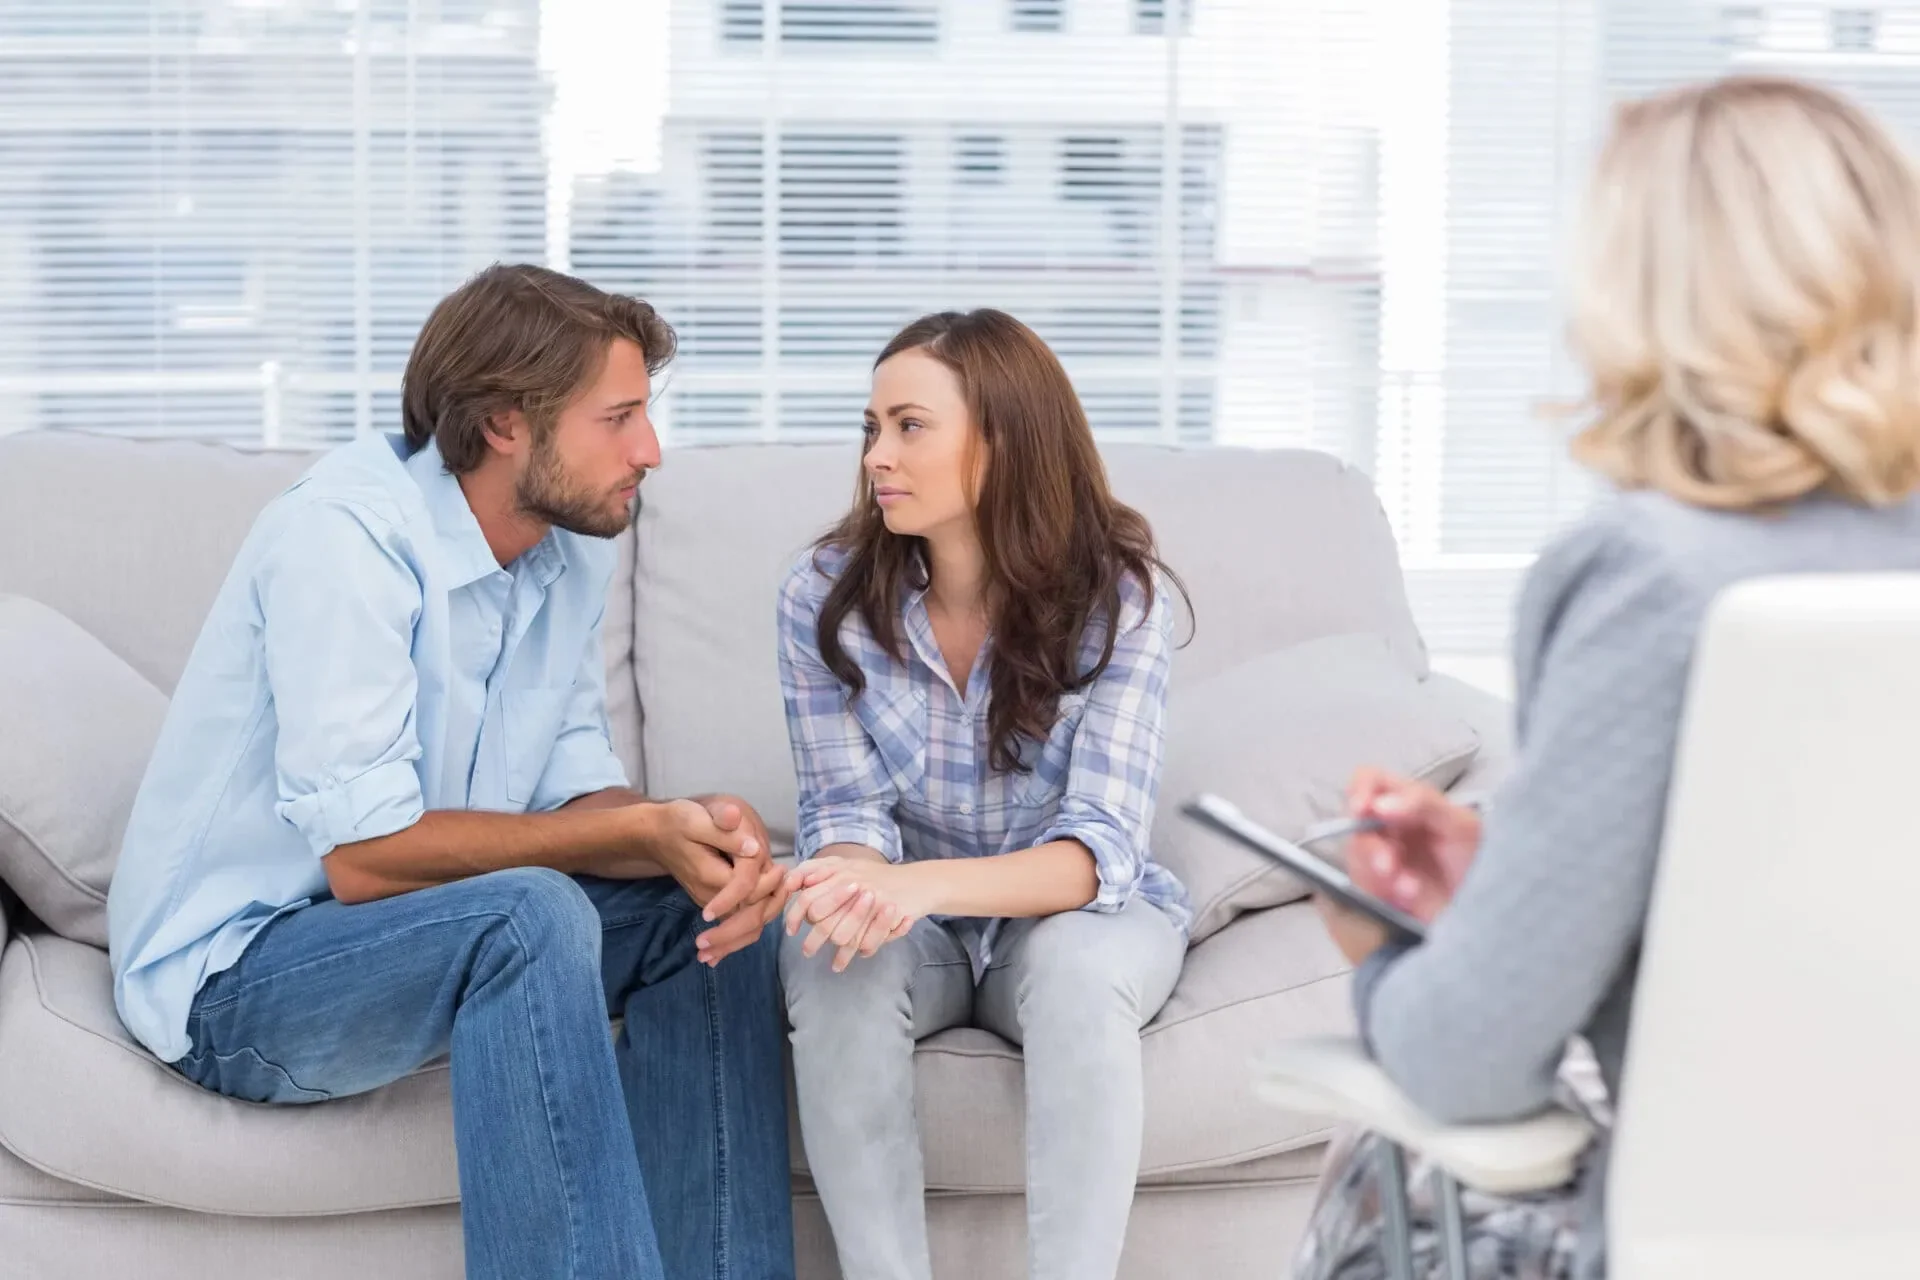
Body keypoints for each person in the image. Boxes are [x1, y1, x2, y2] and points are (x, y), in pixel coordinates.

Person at [1297, 75, 1920, 1280]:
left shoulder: (1651, 574)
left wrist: (1385, 953)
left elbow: (1475, 1056)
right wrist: (1520, 879)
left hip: (1715, 1243)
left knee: (1372, 1190)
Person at [107, 264, 796, 1280]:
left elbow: (577, 791)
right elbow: (367, 860)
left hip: (418, 939)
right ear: (507, 423)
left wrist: (676, 828)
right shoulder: (345, 539)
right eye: (618, 418)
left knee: (719, 908)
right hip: (237, 983)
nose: (649, 450)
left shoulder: (570, 547)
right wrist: (630, 835)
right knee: (531, 910)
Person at [775, 308, 1193, 1280]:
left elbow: (1098, 851)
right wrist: (846, 884)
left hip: (1070, 917)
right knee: (827, 954)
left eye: (910, 425)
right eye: (871, 427)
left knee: (1086, 973)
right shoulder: (821, 593)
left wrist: (919, 886)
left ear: (1000, 440)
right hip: (911, 929)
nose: (879, 453)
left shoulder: (1117, 597)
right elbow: (844, 813)